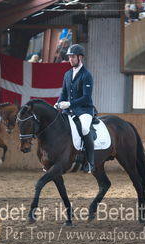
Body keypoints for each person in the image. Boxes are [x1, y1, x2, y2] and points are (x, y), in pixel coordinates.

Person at [55, 44, 95, 173]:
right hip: (69, 111)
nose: (70, 59)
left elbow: (86, 97)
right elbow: (63, 93)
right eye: (69, 57)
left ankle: (90, 162)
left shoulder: (86, 75)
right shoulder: (67, 74)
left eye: (73, 57)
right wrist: (58, 103)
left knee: (84, 129)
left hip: (84, 110)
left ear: (80, 57)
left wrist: (70, 104)